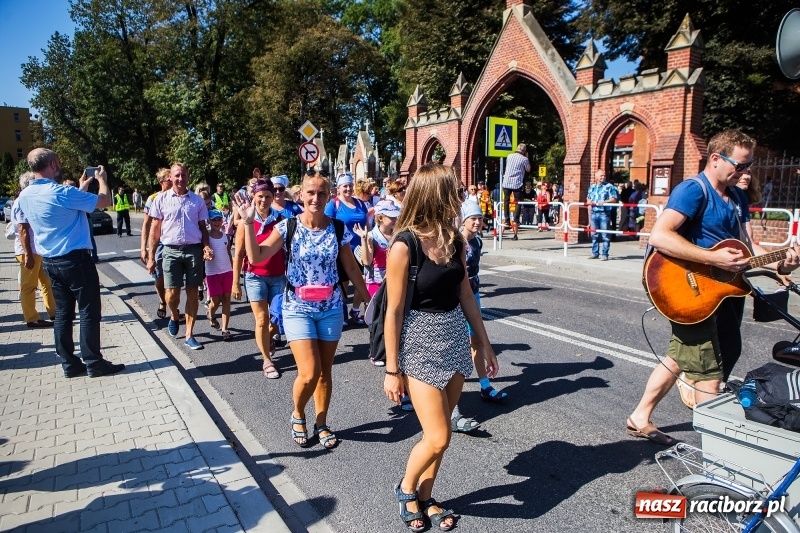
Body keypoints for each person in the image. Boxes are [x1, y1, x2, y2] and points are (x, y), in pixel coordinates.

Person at [628, 130, 800, 443]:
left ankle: (640, 415)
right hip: (688, 292)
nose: (746, 173)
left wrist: (781, 262)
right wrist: (712, 258)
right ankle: (717, 457)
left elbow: (747, 248)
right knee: (710, 378)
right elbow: (660, 236)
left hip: (725, 292)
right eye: (741, 165)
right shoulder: (693, 190)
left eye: (749, 167)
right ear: (716, 159)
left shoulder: (736, 197)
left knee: (693, 355)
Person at [384, 164, 498, 531]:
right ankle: (405, 488)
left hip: (452, 338)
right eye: (456, 190)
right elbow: (395, 311)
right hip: (419, 342)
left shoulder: (455, 239)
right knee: (438, 435)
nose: (462, 195)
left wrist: (483, 340)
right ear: (437, 194)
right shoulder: (404, 245)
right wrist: (391, 368)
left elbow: (465, 292)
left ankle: (426, 496)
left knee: (441, 437)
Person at [234, 171, 370, 450]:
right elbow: (257, 256)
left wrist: (367, 297)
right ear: (301, 195)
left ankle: (321, 422)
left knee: (325, 372)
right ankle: (298, 413)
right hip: (297, 307)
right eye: (310, 193)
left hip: (331, 307)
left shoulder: (338, 228)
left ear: (329, 195)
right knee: (309, 372)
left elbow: (351, 267)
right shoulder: (288, 227)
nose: (316, 198)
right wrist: (248, 224)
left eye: (321, 193)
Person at [17, 148, 125, 378]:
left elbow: (60, 208)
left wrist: (81, 187)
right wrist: (102, 181)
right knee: (88, 311)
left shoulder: (25, 196)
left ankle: (69, 363)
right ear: (54, 164)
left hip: (50, 261)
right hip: (75, 260)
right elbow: (104, 201)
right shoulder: (61, 192)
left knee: (63, 314)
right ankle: (94, 362)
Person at [146, 163, 212, 351]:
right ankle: (174, 315)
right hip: (170, 251)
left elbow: (203, 228)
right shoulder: (161, 199)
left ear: (188, 177)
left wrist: (206, 246)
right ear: (170, 178)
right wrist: (151, 256)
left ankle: (189, 334)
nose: (180, 179)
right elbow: (155, 229)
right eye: (177, 175)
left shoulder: (197, 201)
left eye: (183, 175)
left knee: (192, 293)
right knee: (172, 294)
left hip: (193, 250)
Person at [231, 178, 286, 379]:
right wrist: (236, 282)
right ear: (253, 197)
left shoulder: (281, 219)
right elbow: (238, 254)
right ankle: (267, 360)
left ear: (273, 198)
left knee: (278, 320)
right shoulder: (246, 221)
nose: (264, 200)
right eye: (260, 196)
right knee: (262, 319)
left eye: (268, 196)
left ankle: (269, 337)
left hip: (279, 276)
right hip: (254, 277)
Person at [354, 200, 401, 366]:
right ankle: (376, 352)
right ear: (380, 218)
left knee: (395, 316)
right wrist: (364, 240)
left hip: (396, 280)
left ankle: (393, 350)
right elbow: (366, 261)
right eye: (391, 217)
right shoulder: (373, 236)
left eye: (396, 216)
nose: (395, 220)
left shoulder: (399, 235)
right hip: (376, 282)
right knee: (377, 319)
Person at [11, 171, 56, 328]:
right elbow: (23, 229)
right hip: (28, 251)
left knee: (46, 282)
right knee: (29, 286)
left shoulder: (28, 200)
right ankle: (32, 318)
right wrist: (28, 254)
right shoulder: (22, 202)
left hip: (36, 250)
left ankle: (54, 313)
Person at [325, 172, 370, 325]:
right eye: (345, 186)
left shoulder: (361, 204)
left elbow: (367, 225)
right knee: (343, 283)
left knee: (362, 280)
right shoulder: (334, 204)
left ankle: (356, 310)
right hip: (342, 251)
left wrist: (369, 241)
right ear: (338, 188)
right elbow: (326, 225)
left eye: (350, 185)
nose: (348, 189)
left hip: (360, 249)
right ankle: (342, 310)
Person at [140, 168, 172, 319]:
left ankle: (174, 308)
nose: (172, 182)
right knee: (159, 277)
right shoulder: (153, 198)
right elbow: (146, 224)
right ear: (161, 182)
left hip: (172, 241)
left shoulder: (178, 196)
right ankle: (162, 300)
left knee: (173, 277)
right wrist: (144, 248)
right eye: (168, 180)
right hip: (157, 243)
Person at [205, 209, 234, 340]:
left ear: (222, 221)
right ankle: (211, 313)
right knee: (215, 301)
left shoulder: (225, 236)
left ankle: (225, 329)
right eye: (214, 220)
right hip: (212, 273)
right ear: (209, 221)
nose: (217, 222)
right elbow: (203, 253)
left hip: (227, 271)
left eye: (219, 219)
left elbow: (228, 253)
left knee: (227, 299)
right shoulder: (206, 237)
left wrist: (233, 269)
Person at [587, 169, 618, 260]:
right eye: (601, 176)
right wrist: (590, 203)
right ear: (596, 176)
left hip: (604, 213)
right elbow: (588, 199)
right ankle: (594, 253)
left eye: (604, 175)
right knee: (594, 235)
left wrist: (605, 201)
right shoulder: (592, 187)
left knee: (605, 235)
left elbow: (614, 198)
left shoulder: (609, 186)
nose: (603, 177)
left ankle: (605, 254)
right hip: (594, 212)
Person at [501, 143, 530, 229]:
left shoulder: (509, 156)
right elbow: (528, 169)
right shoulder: (524, 159)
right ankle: (516, 219)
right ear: (524, 151)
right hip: (516, 183)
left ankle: (506, 219)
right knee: (518, 201)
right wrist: (527, 157)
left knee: (506, 200)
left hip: (506, 182)